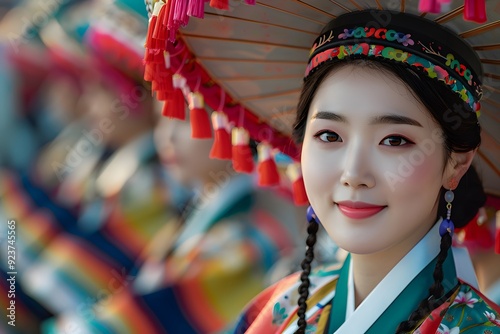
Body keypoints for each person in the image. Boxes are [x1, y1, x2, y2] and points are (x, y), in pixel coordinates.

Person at [233, 9, 500, 334]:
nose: (354, 173)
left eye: (395, 140)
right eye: (330, 136)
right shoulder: (278, 309)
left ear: (457, 163)